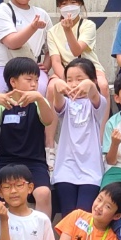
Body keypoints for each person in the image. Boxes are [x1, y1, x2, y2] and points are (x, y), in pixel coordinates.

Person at [0, 56, 59, 219]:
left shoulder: (38, 102)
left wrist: (40, 98)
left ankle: (43, 236)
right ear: (13, 82)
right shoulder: (3, 103)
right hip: (7, 161)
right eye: (29, 79)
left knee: (43, 193)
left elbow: (48, 120)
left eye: (36, 79)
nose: (34, 84)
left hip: (35, 162)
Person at [47, 57, 108, 217]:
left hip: (91, 171)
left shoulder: (98, 104)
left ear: (93, 80)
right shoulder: (66, 104)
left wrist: (90, 86)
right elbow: (58, 103)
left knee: (83, 216)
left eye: (79, 79)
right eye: (69, 80)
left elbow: (95, 96)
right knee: (68, 216)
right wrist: (57, 88)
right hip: (66, 168)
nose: (74, 84)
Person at [45, 0, 110, 100]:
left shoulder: (88, 25)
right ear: (59, 7)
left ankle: (104, 118)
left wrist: (67, 30)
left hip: (90, 69)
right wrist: (68, 80)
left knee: (103, 85)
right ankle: (51, 119)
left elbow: (77, 51)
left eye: (73, 2)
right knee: (51, 88)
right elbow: (56, 62)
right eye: (64, 4)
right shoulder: (52, 32)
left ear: (80, 3)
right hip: (65, 71)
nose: (69, 6)